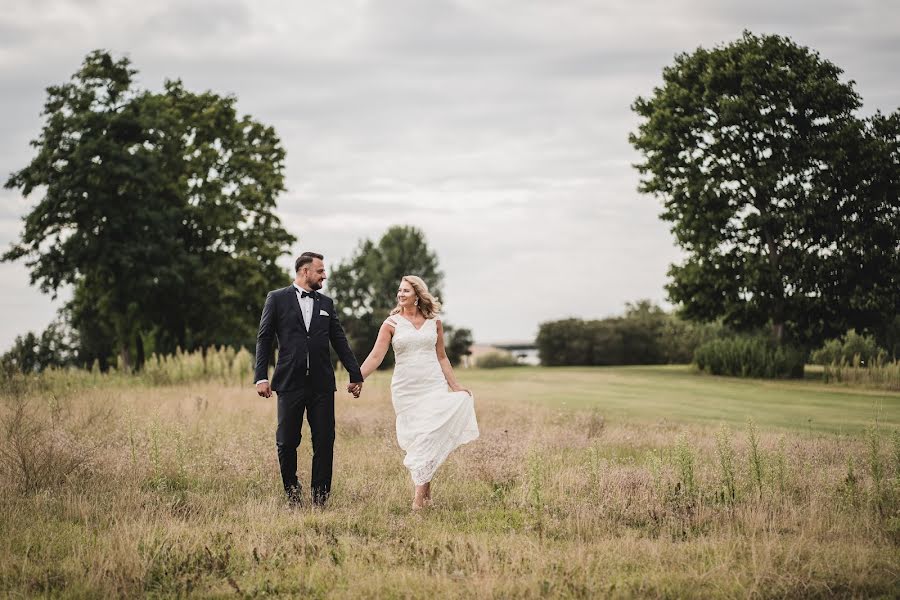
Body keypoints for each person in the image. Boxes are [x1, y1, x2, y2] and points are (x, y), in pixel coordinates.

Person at [359, 275, 479, 510]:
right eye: (399, 290)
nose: (400, 294)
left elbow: (442, 356)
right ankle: (426, 496)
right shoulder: (391, 323)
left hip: (432, 385)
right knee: (419, 439)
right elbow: (376, 356)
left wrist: (455, 386)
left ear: (417, 295)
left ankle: (419, 501)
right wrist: (358, 377)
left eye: (405, 291)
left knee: (429, 435)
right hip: (406, 388)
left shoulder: (434, 323)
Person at [254, 252, 363, 507]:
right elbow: (264, 338)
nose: (324, 275)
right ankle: (292, 495)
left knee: (325, 441)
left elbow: (339, 340)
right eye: (320, 271)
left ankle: (320, 500)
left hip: (322, 384)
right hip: (289, 382)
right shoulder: (277, 299)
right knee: (287, 441)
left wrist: (355, 373)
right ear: (305, 272)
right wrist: (261, 376)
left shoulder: (326, 303)